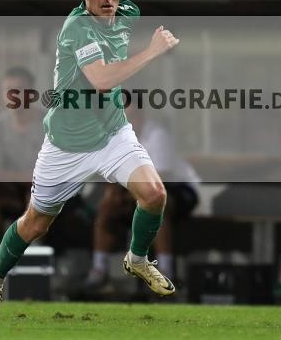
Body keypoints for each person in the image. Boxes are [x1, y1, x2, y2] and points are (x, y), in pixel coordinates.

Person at [0, 0, 180, 320]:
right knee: (36, 223)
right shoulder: (77, 28)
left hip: (113, 133)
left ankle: (136, 259)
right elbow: (102, 81)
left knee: (154, 194)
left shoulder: (127, 13)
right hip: (66, 145)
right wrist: (152, 51)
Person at [84, 104, 199, 289]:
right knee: (106, 208)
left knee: (157, 205)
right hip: (137, 192)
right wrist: (113, 195)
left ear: (139, 115)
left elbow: (162, 177)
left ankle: (166, 273)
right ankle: (99, 270)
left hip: (178, 188)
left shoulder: (157, 135)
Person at [0, 67, 45, 248]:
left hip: (45, 190)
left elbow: (44, 175)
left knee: (37, 192)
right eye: (8, 90)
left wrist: (6, 174)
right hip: (12, 189)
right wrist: (20, 176)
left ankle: (33, 254)